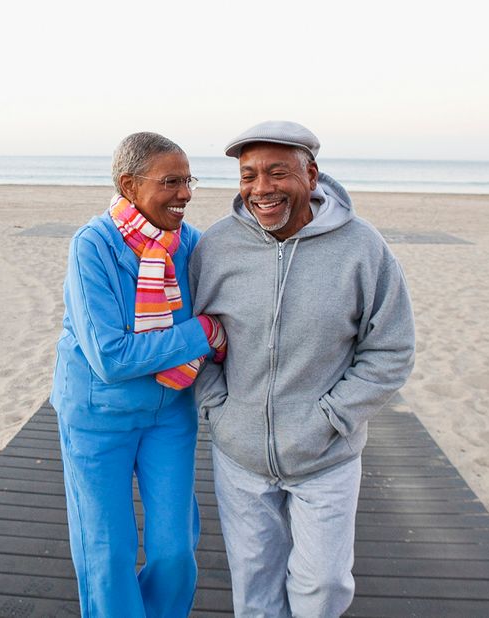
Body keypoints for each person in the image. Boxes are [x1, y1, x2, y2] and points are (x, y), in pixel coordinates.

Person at [190, 120, 415, 617]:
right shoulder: (217, 247)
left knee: (324, 588)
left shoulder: (362, 247)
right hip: (240, 456)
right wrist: (218, 410)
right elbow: (193, 340)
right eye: (248, 176)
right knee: (254, 591)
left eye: (277, 173)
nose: (261, 189)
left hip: (326, 458)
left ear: (311, 176)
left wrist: (330, 418)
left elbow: (391, 349)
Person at [50, 131, 227, 617]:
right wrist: (203, 332)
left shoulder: (191, 243)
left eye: (189, 180)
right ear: (129, 185)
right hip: (96, 416)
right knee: (107, 552)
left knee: (174, 550)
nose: (186, 193)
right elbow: (111, 357)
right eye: (172, 181)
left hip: (170, 412)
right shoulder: (93, 245)